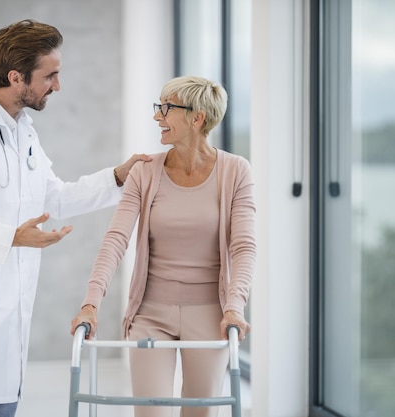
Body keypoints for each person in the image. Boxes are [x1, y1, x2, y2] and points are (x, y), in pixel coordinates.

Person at [0, 19, 151, 417]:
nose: (57, 85)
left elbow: (53, 197)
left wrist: (116, 177)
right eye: (50, 75)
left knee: (5, 406)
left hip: (11, 309)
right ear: (15, 76)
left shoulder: (23, 131)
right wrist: (10, 237)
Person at [70, 75, 256, 417]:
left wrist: (235, 306)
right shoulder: (145, 171)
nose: (157, 116)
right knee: (150, 412)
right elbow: (116, 239)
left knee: (200, 412)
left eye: (166, 108)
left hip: (210, 314)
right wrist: (90, 303)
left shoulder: (235, 171)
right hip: (150, 313)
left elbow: (243, 246)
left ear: (196, 117)